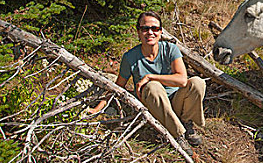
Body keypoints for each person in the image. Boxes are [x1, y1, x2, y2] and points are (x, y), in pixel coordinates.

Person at [88, 11, 206, 156]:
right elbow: (117, 87)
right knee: (152, 87)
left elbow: (182, 80)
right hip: (154, 105)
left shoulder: (170, 49)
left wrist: (150, 76)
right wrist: (98, 108)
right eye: (145, 28)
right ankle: (177, 135)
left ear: (161, 31)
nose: (150, 32)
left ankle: (187, 124)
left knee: (197, 82)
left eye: (155, 28)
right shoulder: (130, 58)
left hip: (175, 101)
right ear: (138, 32)